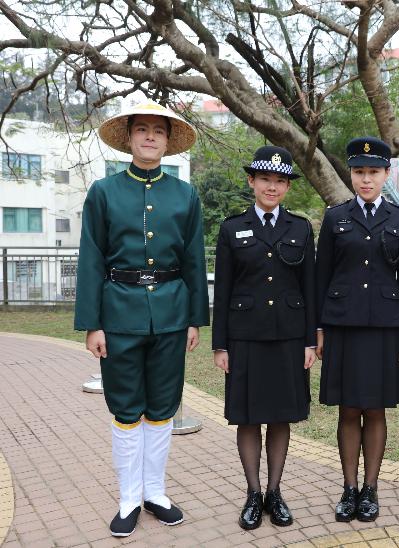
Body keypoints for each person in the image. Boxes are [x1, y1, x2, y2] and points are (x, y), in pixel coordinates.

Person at [74, 100, 209, 537]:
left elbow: (192, 260)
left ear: (168, 143)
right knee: (126, 408)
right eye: (143, 129)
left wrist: (194, 319)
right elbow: (91, 259)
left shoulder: (184, 194)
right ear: (129, 137)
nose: (151, 136)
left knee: (163, 407)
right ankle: (129, 498)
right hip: (118, 314)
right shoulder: (104, 192)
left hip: (170, 313)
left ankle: (156, 492)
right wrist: (93, 323)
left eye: (159, 131)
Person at [212, 146, 316, 530]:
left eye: (280, 181)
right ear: (252, 181)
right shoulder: (231, 227)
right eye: (265, 179)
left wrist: (310, 341)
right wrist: (220, 344)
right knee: (249, 417)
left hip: (288, 336)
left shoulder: (300, 228)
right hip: (245, 337)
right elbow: (222, 291)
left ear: (287, 186)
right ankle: (253, 494)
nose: (272, 187)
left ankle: (275, 491)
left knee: (281, 416)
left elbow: (309, 288)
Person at [315, 137, 399, 523]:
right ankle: (349, 488)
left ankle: (371, 489)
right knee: (348, 407)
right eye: (359, 172)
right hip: (342, 325)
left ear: (387, 174)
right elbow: (321, 276)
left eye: (373, 172)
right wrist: (319, 329)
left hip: (384, 326)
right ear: (352, 175)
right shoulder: (335, 217)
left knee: (375, 408)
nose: (366, 179)